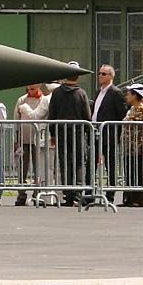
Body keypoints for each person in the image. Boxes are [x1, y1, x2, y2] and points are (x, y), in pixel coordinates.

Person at [47, 64, 91, 206]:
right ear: (77, 76)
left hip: (61, 133)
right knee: (78, 163)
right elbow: (87, 116)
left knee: (64, 163)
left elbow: (52, 115)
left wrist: (52, 133)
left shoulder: (56, 93)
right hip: (78, 134)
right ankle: (78, 194)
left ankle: (68, 196)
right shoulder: (81, 93)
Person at [91, 64, 128, 201]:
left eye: (103, 74)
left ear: (111, 76)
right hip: (96, 133)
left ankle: (110, 195)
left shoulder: (115, 92)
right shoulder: (98, 92)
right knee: (91, 163)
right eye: (99, 73)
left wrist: (115, 132)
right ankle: (90, 194)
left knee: (110, 165)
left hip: (109, 135)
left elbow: (121, 114)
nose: (100, 76)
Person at [13, 84, 51, 205]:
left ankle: (37, 194)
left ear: (39, 86)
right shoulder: (22, 100)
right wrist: (16, 139)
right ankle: (21, 195)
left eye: (34, 86)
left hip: (38, 140)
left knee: (38, 168)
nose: (31, 88)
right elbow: (15, 120)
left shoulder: (44, 100)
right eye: (29, 87)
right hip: (23, 139)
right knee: (22, 169)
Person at [120, 84, 143, 207]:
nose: (127, 96)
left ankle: (140, 200)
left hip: (139, 147)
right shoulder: (132, 108)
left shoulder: (142, 108)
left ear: (135, 95)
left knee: (138, 173)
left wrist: (142, 132)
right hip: (129, 147)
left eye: (129, 93)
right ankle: (130, 199)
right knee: (130, 172)